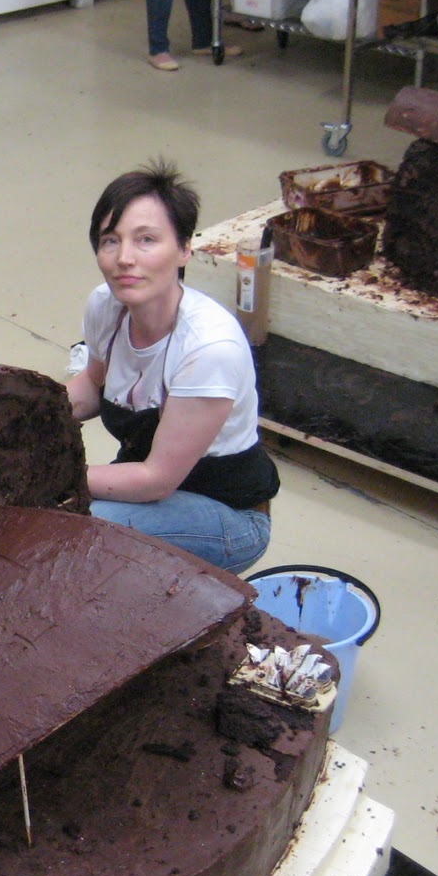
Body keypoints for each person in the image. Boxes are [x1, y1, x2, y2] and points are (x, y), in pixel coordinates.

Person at [65, 161, 278, 574]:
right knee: (48, 515)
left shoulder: (208, 347)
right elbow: (92, 384)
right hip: (152, 487)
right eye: (110, 241)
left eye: (146, 240)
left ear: (183, 248)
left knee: (74, 535)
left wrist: (52, 472)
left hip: (228, 515)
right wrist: (23, 421)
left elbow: (156, 479)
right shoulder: (106, 306)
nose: (124, 258)